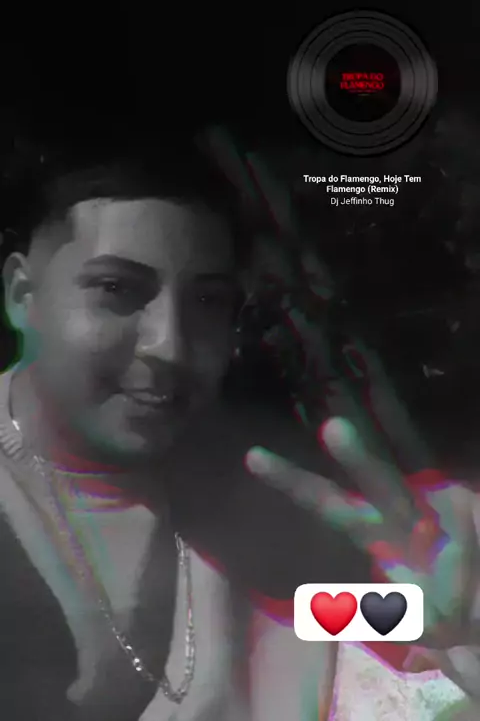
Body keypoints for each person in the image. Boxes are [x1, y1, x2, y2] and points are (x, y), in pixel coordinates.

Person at [0, 120, 477, 720]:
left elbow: (333, 615)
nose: (170, 345)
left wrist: (445, 619)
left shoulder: (259, 482)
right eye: (116, 289)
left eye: (207, 301)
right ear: (22, 294)